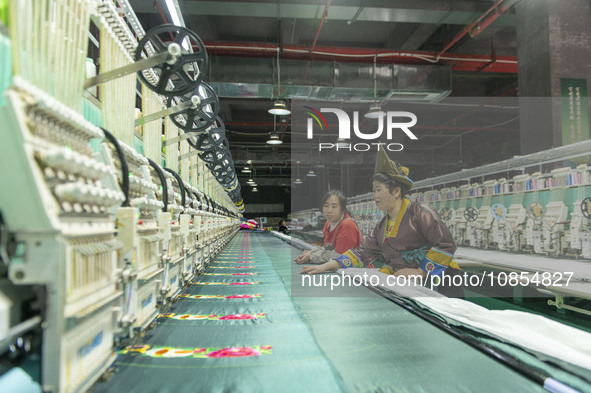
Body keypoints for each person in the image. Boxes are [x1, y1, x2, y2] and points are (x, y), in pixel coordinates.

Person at [300, 148, 464, 298]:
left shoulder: (420, 212)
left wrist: (421, 272)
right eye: (374, 190)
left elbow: (445, 244)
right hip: (411, 285)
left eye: (379, 189)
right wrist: (328, 266)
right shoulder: (381, 227)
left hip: (442, 281)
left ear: (397, 191)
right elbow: (360, 253)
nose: (375, 195)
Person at [295, 190, 362, 265]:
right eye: (326, 206)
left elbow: (340, 255)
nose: (329, 210)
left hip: (357, 272)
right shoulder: (328, 224)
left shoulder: (348, 225)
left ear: (342, 209)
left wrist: (311, 256)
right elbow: (327, 248)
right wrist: (312, 252)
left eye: (334, 206)